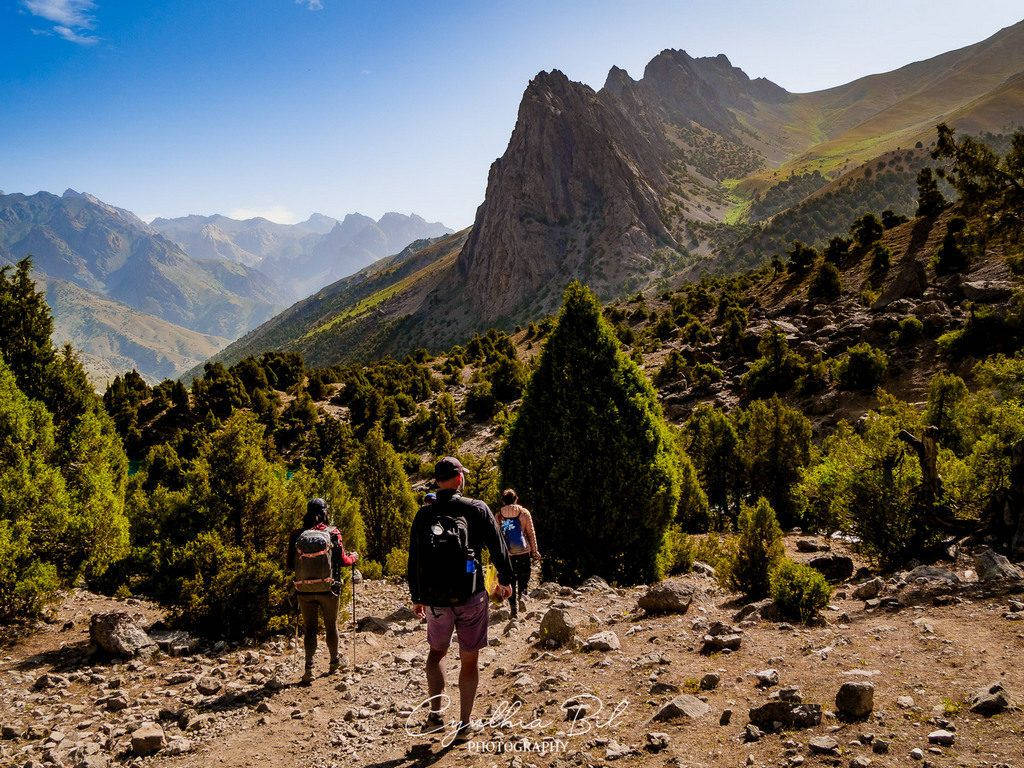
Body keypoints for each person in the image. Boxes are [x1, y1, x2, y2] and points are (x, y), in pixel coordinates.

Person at [407, 456, 513, 738]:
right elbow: (497, 546)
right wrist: (505, 579)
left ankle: (435, 716)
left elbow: (414, 558)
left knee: (436, 653)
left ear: (438, 482)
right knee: (469, 659)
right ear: (457, 479)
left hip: (436, 599)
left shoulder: (424, 514)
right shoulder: (477, 508)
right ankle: (465, 724)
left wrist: (417, 595)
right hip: (471, 594)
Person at [287, 497, 358, 684]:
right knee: (331, 625)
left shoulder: (296, 535)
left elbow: (288, 564)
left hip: (304, 590)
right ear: (325, 512)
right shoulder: (333, 533)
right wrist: (354, 557)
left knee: (309, 629)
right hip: (330, 588)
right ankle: (334, 662)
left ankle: (308, 669)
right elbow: (343, 561)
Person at [496, 489, 540, 618]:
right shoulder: (524, 513)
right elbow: (531, 533)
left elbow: (497, 537)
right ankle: (522, 594)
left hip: (508, 554)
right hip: (523, 551)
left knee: (510, 581)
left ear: (503, 501)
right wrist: (535, 551)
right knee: (524, 576)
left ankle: (513, 610)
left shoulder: (498, 516)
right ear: (516, 499)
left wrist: (497, 556)